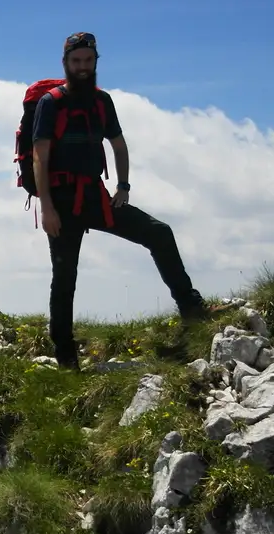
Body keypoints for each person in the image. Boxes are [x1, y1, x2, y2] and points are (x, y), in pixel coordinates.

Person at [32, 31, 210, 369]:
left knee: (159, 232)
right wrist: (47, 207)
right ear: (66, 63)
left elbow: (118, 144)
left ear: (96, 61)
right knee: (65, 276)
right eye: (76, 61)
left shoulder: (102, 101)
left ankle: (192, 310)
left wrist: (124, 186)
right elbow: (39, 156)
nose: (82, 67)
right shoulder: (51, 103)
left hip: (96, 196)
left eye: (88, 60)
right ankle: (67, 361)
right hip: (63, 200)